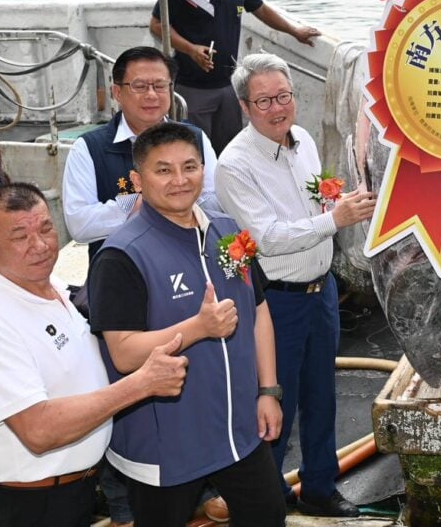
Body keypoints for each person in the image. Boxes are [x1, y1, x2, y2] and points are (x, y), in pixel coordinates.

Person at [0, 183, 188, 527]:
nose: (40, 245)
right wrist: (142, 384)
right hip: (27, 506)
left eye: (46, 228)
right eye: (20, 237)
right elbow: (39, 430)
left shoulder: (55, 289)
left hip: (76, 490)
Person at [86, 122, 286, 527]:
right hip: (168, 444)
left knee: (269, 517)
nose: (179, 180)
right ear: (138, 181)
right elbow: (123, 353)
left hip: (238, 430)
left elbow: (259, 311)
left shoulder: (227, 231)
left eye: (189, 167)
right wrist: (198, 327)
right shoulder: (121, 255)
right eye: (163, 170)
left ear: (203, 170)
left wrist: (268, 391)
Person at [214, 52, 377, 518]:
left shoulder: (302, 139)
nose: (277, 108)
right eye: (263, 101)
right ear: (244, 106)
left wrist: (338, 203)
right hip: (277, 302)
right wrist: (335, 219)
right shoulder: (233, 165)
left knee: (322, 394)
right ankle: (266, 497)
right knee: (274, 401)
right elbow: (266, 238)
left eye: (283, 96)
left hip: (321, 291)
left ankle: (319, 487)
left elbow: (314, 203)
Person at [150, 0, 321, 154]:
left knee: (231, 150)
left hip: (229, 86)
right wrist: (191, 49)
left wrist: (295, 31)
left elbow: (260, 9)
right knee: (194, 151)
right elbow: (157, 25)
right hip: (193, 87)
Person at [63, 46, 219, 263]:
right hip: (122, 267)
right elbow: (79, 224)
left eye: (160, 85)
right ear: (117, 93)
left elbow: (214, 203)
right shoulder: (89, 148)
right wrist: (139, 204)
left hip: (191, 261)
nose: (151, 95)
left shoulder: (195, 138)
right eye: (140, 86)